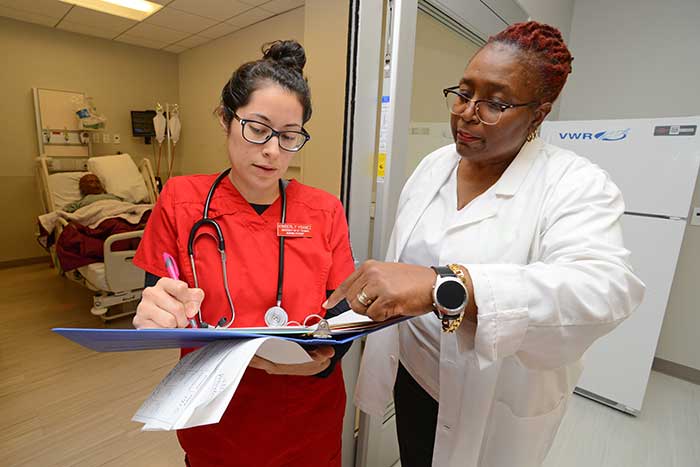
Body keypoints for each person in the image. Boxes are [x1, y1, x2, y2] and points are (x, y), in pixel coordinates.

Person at [325, 21, 645, 467]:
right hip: (415, 376)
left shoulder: (575, 184)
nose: (467, 113)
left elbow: (602, 290)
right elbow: (403, 269)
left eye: (495, 102)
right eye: (463, 93)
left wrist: (445, 285)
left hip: (493, 400)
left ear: (539, 113)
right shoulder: (434, 166)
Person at [132, 40, 355, 466]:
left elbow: (343, 308)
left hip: (306, 408)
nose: (273, 150)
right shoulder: (181, 201)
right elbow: (157, 293)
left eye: (289, 137)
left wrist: (326, 360)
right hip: (216, 412)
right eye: (258, 129)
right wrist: (156, 313)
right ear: (225, 118)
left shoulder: (324, 210)